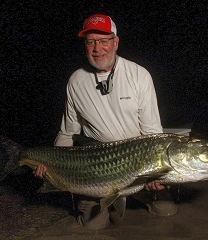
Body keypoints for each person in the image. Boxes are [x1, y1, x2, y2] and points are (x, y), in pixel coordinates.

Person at [35, 13, 177, 229]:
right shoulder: (76, 81)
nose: (97, 48)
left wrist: (153, 173)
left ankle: (123, 200)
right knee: (94, 226)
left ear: (116, 42)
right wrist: (53, 165)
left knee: (166, 209)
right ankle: (103, 203)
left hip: (136, 164)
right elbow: (67, 133)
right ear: (85, 45)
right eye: (90, 41)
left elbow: (152, 134)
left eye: (104, 41)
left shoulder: (139, 75)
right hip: (95, 165)